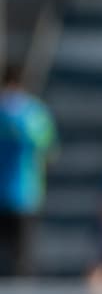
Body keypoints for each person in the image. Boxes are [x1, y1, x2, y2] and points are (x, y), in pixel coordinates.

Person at [0, 66, 56, 276]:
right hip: (20, 193)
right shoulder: (34, 113)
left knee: (20, 255)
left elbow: (45, 147)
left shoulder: (31, 113)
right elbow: (49, 149)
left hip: (23, 193)